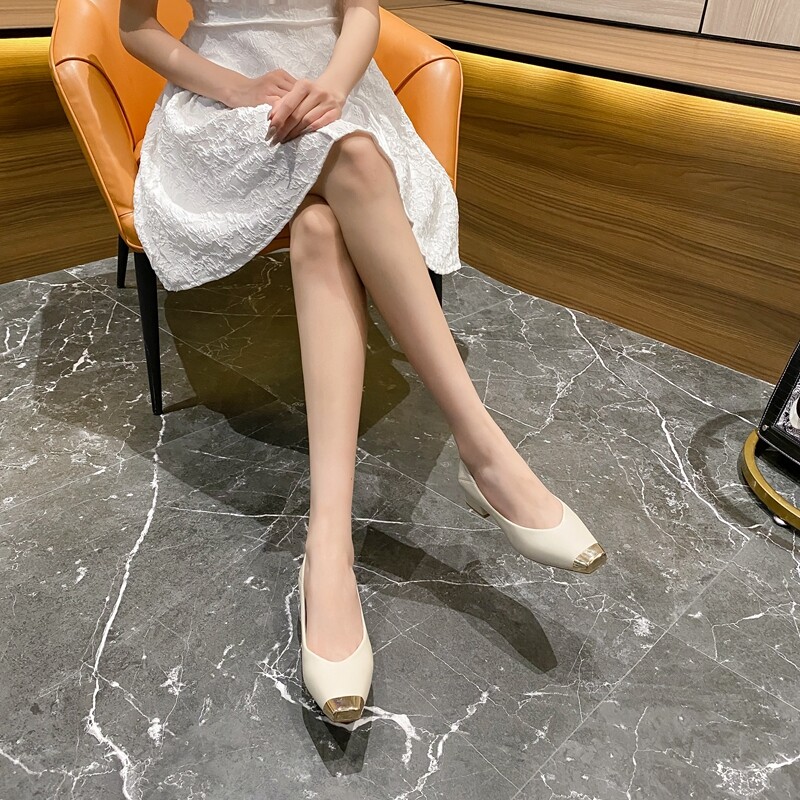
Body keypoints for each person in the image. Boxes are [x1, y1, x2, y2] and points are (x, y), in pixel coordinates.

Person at [120, 0, 607, 726]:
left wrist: (336, 86)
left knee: (325, 216)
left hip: (340, 93)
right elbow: (135, 27)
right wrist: (237, 88)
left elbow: (360, 11)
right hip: (226, 107)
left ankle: (329, 550)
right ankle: (483, 452)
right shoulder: (231, 94)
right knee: (351, 160)